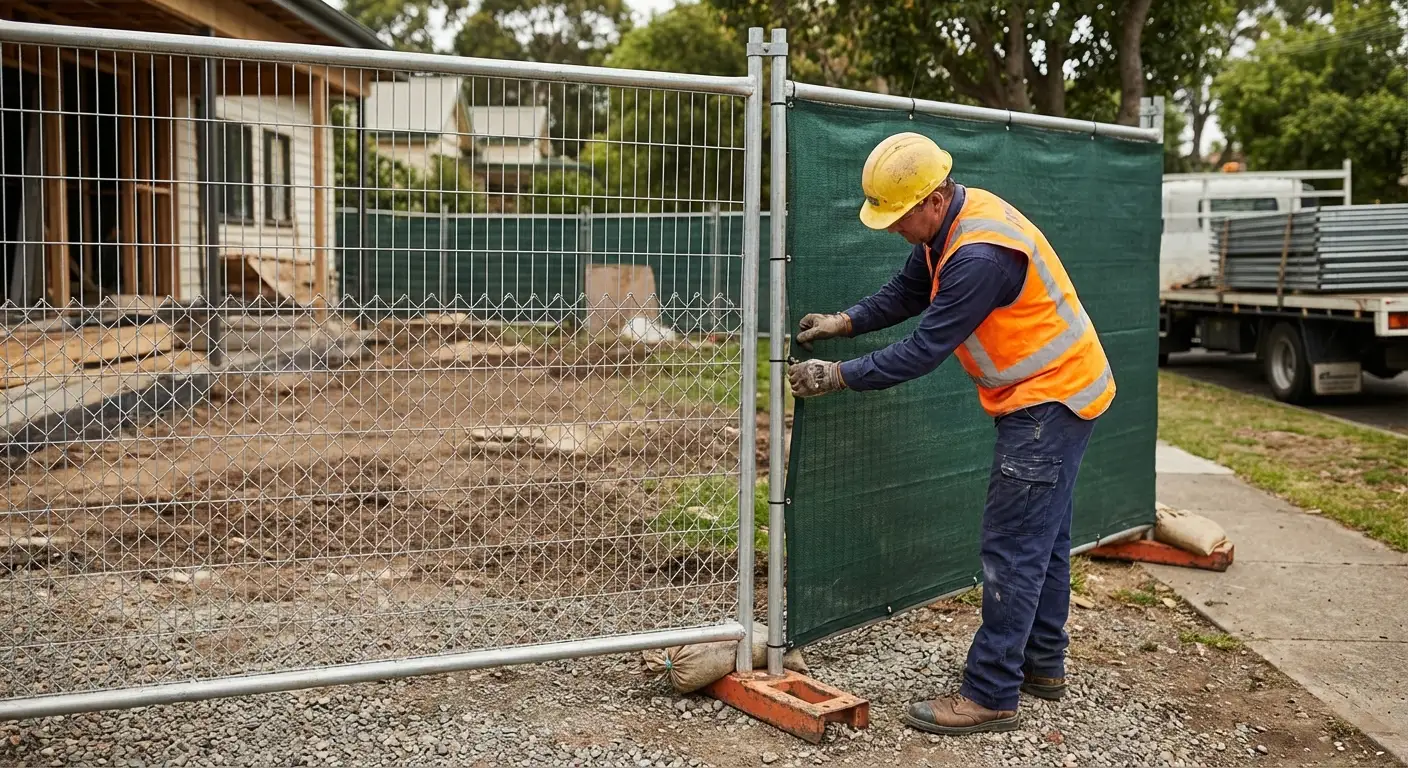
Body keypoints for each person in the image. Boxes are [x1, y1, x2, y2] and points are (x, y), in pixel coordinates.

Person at [787, 132, 1116, 736]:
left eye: (898, 216)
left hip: (1049, 401)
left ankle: (991, 693)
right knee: (1042, 540)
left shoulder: (979, 256)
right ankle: (1041, 666)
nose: (890, 229)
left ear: (934, 198)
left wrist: (838, 375)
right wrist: (846, 321)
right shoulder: (952, 227)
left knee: (1012, 546)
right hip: (1064, 391)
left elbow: (923, 349)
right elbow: (909, 292)